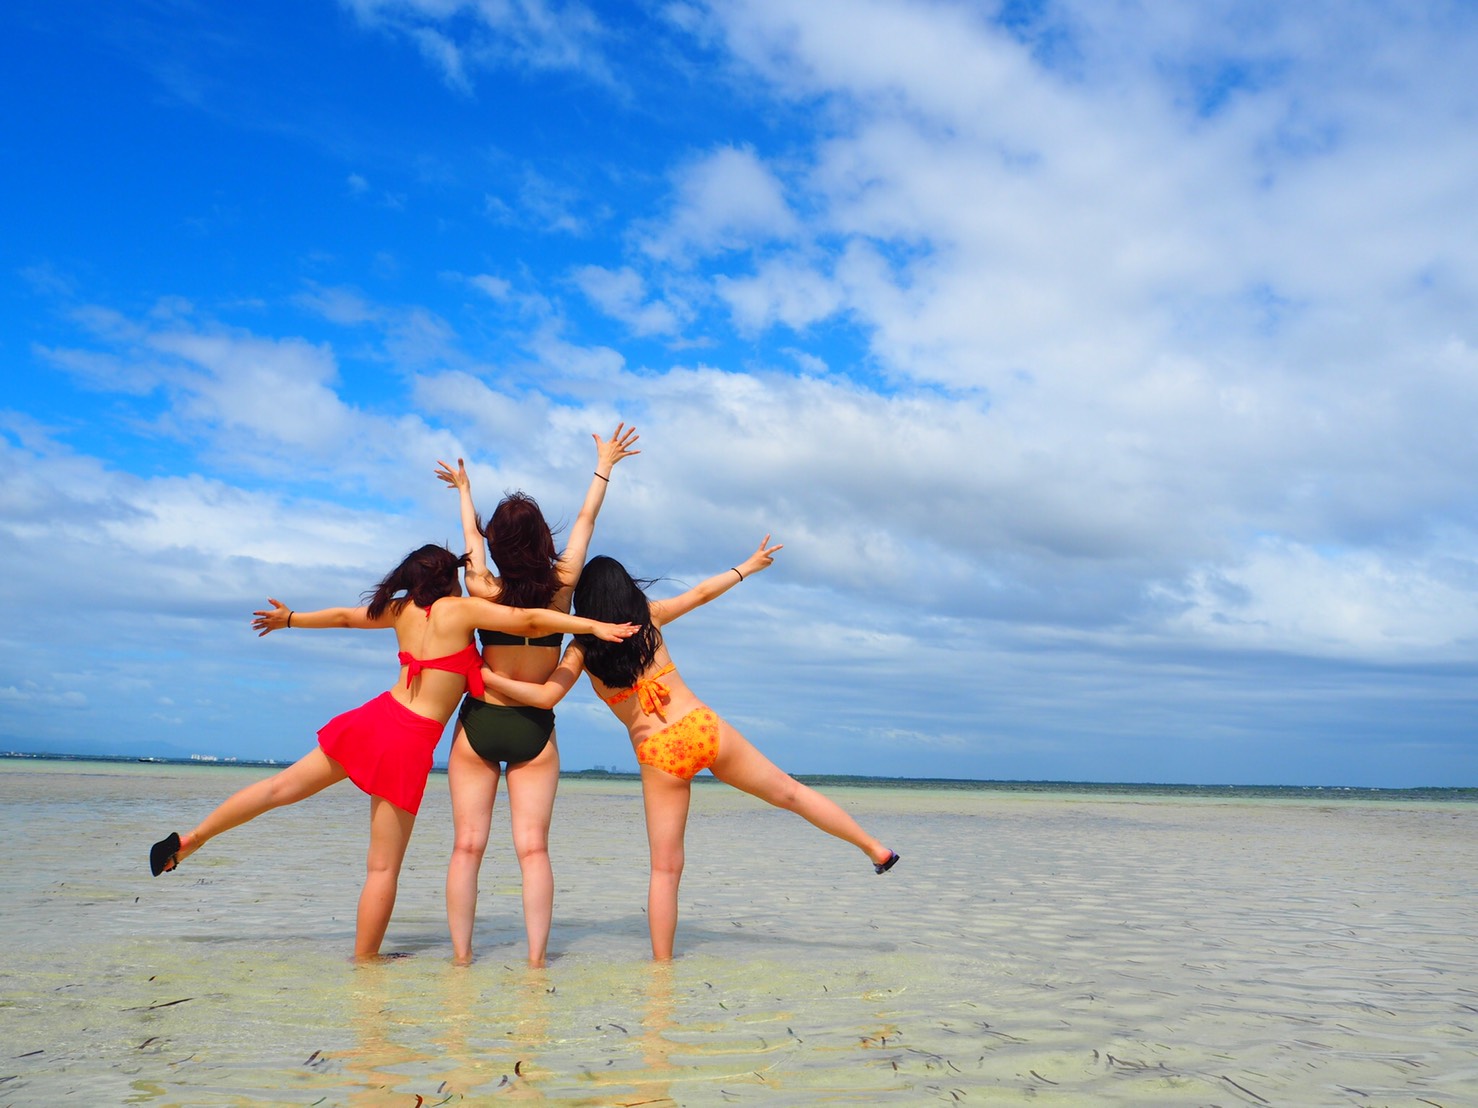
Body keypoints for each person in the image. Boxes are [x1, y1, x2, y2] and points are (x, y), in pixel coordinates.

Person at [147, 543, 637, 962]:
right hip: (407, 741)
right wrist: (591, 626)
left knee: (279, 788)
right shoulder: (458, 611)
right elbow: (528, 618)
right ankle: (366, 962)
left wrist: (290, 619)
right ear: (449, 580)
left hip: (372, 719)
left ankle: (192, 837)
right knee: (381, 868)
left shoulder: (401, 611)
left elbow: (342, 617)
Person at [481, 537, 899, 961]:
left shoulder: (582, 648)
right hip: (701, 726)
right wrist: (747, 566)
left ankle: (662, 970)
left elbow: (546, 697)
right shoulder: (649, 617)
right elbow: (701, 593)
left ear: (585, 603)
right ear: (626, 588)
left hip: (660, 753)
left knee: (666, 870)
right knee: (790, 792)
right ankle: (873, 847)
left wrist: (487, 678)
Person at [433, 423, 639, 967]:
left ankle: (460, 961)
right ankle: (536, 962)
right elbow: (588, 519)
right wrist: (605, 465)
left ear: (499, 544)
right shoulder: (564, 584)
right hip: (535, 731)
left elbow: (473, 545)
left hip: (480, 722)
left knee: (467, 848)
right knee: (533, 850)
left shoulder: (484, 590)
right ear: (545, 541)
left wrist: (464, 492)